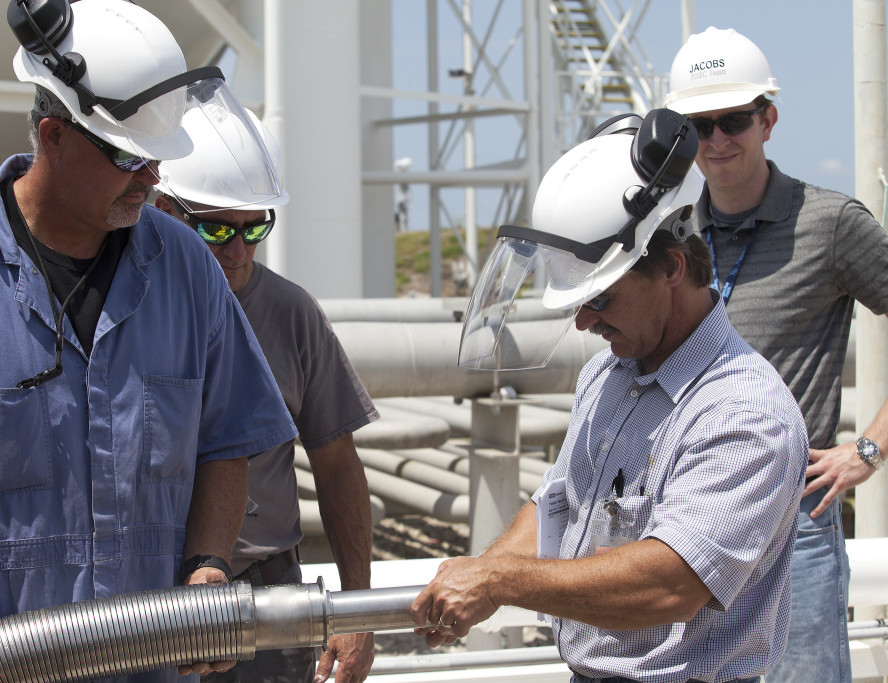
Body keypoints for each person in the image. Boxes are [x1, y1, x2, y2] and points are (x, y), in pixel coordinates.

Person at [0, 1, 297, 681]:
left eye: (157, 158)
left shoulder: (184, 267)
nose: (152, 179)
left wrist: (206, 564)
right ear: (52, 135)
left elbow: (228, 436)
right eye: (129, 155)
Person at [413, 108, 809, 683]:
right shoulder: (608, 376)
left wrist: (499, 582)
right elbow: (558, 506)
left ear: (672, 267)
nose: (583, 322)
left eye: (599, 299)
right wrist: (480, 575)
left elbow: (666, 586)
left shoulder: (743, 412)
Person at [663, 27, 888, 683]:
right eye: (699, 126)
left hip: (795, 525)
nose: (717, 140)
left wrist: (868, 449)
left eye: (733, 120)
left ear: (768, 119)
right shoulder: (675, 237)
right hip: (688, 522)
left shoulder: (832, 223)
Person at [154, 108, 379, 683]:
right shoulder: (127, 313)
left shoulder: (290, 313)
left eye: (255, 227)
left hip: (264, 598)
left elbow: (338, 466)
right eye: (216, 228)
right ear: (161, 210)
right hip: (148, 600)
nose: (239, 249)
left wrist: (359, 613)